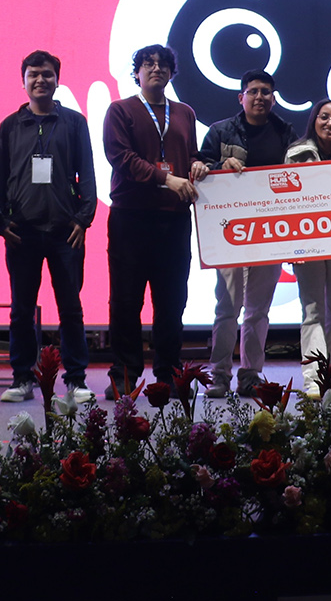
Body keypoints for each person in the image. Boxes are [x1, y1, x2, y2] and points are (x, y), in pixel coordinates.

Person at [0, 50, 97, 404]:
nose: (40, 80)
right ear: (23, 81)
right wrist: (1, 222)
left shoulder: (74, 122)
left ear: (57, 80)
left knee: (71, 309)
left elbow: (87, 173)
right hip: (21, 231)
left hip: (66, 231)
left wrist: (83, 219)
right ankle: (22, 378)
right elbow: (0, 178)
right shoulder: (10, 125)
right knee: (21, 310)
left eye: (47, 74)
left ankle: (76, 380)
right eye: (33, 74)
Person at [103, 44, 209, 398]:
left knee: (172, 301)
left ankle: (169, 373)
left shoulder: (184, 112)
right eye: (148, 64)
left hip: (174, 218)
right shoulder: (121, 110)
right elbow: (121, 157)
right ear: (137, 73)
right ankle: (125, 375)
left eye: (163, 64)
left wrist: (197, 164)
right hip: (131, 217)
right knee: (126, 301)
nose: (156, 69)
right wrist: (167, 179)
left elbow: (190, 153)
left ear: (171, 73)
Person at [196, 68, 296, 398]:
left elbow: (302, 177)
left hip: (270, 234)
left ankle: (251, 374)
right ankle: (219, 374)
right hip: (230, 234)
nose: (259, 97)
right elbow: (199, 168)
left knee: (258, 311)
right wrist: (218, 167)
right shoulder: (220, 131)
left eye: (266, 92)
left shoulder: (286, 132)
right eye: (253, 91)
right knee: (227, 308)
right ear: (241, 97)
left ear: (273, 98)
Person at [284, 99, 331, 399]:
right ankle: (314, 380)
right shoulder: (296, 154)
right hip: (308, 246)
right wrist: (292, 246)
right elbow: (286, 204)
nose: (330, 123)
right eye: (324, 117)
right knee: (312, 311)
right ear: (314, 119)